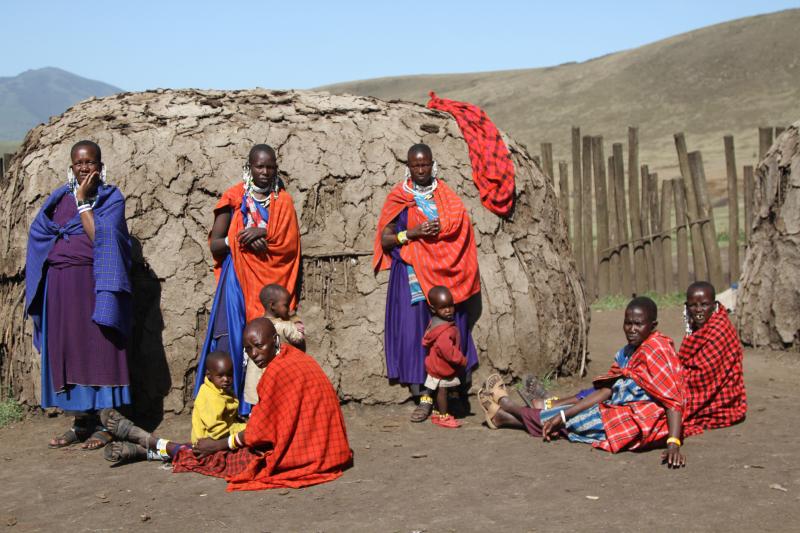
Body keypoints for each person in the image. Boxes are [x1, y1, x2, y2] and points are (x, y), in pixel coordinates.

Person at [103, 319, 352, 491]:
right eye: (248, 349)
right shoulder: (294, 359)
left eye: (259, 345)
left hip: (305, 455)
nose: (254, 354)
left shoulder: (278, 372)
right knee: (213, 448)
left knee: (215, 458)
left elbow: (261, 433)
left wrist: (220, 444)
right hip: (328, 450)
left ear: (275, 340)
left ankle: (149, 443)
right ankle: (147, 446)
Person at [479, 297, 687, 468]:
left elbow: (673, 401)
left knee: (569, 422)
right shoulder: (627, 353)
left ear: (653, 326)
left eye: (638, 324)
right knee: (565, 417)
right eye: (628, 323)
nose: (631, 329)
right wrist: (564, 414)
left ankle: (509, 409)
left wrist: (674, 444)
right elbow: (606, 391)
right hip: (615, 409)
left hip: (642, 422)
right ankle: (502, 417)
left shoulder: (657, 351)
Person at [25, 140, 132, 449]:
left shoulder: (111, 198)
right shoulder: (58, 198)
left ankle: (107, 424)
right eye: (79, 163)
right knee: (69, 351)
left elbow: (102, 238)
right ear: (70, 166)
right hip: (61, 287)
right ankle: (80, 422)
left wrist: (84, 201)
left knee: (100, 348)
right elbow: (40, 231)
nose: (85, 167)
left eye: (90, 162)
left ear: (101, 165)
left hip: (95, 285)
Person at [373, 143, 480, 422]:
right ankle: (424, 396)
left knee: (448, 333)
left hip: (445, 272)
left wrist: (440, 234)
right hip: (412, 274)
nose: (421, 170)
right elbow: (385, 239)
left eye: (425, 164)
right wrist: (412, 233)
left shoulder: (445, 195)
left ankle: (452, 390)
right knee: (417, 335)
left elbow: (461, 229)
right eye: (415, 165)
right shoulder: (399, 197)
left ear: (432, 164)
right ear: (408, 167)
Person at [197, 144, 301, 415]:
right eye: (259, 166)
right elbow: (215, 245)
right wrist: (239, 238)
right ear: (249, 167)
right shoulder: (233, 198)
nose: (265, 172)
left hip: (270, 281)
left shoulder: (284, 202)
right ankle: (231, 408)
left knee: (267, 341)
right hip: (237, 281)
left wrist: (263, 235)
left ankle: (264, 408)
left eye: (270, 167)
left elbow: (289, 246)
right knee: (233, 337)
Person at [101, 351, 245, 462]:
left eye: (229, 375)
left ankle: (144, 449)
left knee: (189, 452)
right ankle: (144, 439)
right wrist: (245, 428)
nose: (226, 379)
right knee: (194, 456)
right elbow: (217, 431)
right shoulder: (210, 396)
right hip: (208, 441)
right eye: (221, 376)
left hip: (216, 439)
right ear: (209, 375)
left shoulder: (222, 391)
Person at [679, 281, 747, 436]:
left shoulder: (719, 330)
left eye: (704, 305)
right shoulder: (697, 326)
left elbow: (703, 376)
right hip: (692, 382)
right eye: (693, 305)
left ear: (714, 304)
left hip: (723, 404)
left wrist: (672, 381)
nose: (698, 310)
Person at [243, 284, 306, 405]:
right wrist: (295, 320)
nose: (288, 309)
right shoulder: (285, 326)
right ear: (272, 305)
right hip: (275, 379)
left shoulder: (256, 327)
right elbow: (299, 338)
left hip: (254, 381)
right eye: (286, 305)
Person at [423, 286, 468, 429]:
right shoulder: (444, 330)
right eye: (443, 307)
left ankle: (436, 412)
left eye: (450, 306)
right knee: (442, 391)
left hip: (435, 364)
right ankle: (443, 416)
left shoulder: (435, 323)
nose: (448, 310)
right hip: (442, 367)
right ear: (433, 309)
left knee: (438, 391)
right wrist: (461, 360)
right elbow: (448, 351)